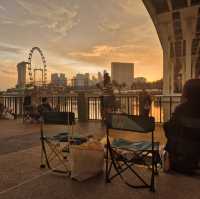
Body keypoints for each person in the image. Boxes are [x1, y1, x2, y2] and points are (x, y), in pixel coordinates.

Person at [163, 79, 200, 173]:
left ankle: (168, 161)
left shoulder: (181, 109)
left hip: (180, 160)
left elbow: (168, 129)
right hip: (196, 160)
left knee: (171, 130)